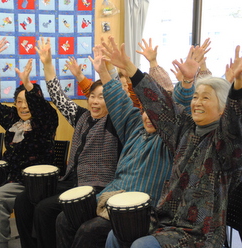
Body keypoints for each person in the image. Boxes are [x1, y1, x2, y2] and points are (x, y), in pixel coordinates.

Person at [103, 36, 242, 248]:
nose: (196, 102)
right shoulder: (185, 129)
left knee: (141, 246)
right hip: (165, 219)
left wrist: (238, 87)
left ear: (223, 108)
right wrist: (130, 68)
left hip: (200, 233)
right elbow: (159, 103)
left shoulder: (224, 141)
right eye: (195, 97)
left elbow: (233, 123)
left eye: (205, 98)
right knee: (116, 235)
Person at [54, 38, 181, 248]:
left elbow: (171, 107)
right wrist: (103, 72)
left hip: (139, 209)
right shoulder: (135, 127)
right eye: (145, 112)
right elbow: (119, 102)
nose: (148, 117)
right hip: (110, 197)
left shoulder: (171, 137)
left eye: (155, 114)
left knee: (89, 232)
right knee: (63, 220)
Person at [13, 37, 122, 248]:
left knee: (45, 208)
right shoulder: (81, 116)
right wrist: (47, 64)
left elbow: (118, 95)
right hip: (71, 180)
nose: (95, 101)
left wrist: (106, 70)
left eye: (101, 97)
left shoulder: (116, 121)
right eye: (92, 96)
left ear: (111, 100)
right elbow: (58, 96)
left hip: (96, 187)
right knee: (23, 201)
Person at [0, 38, 58, 248]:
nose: (23, 106)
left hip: (36, 185)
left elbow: (42, 109)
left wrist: (29, 85)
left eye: (28, 101)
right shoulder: (13, 120)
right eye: (19, 101)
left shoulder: (45, 122)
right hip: (12, 180)